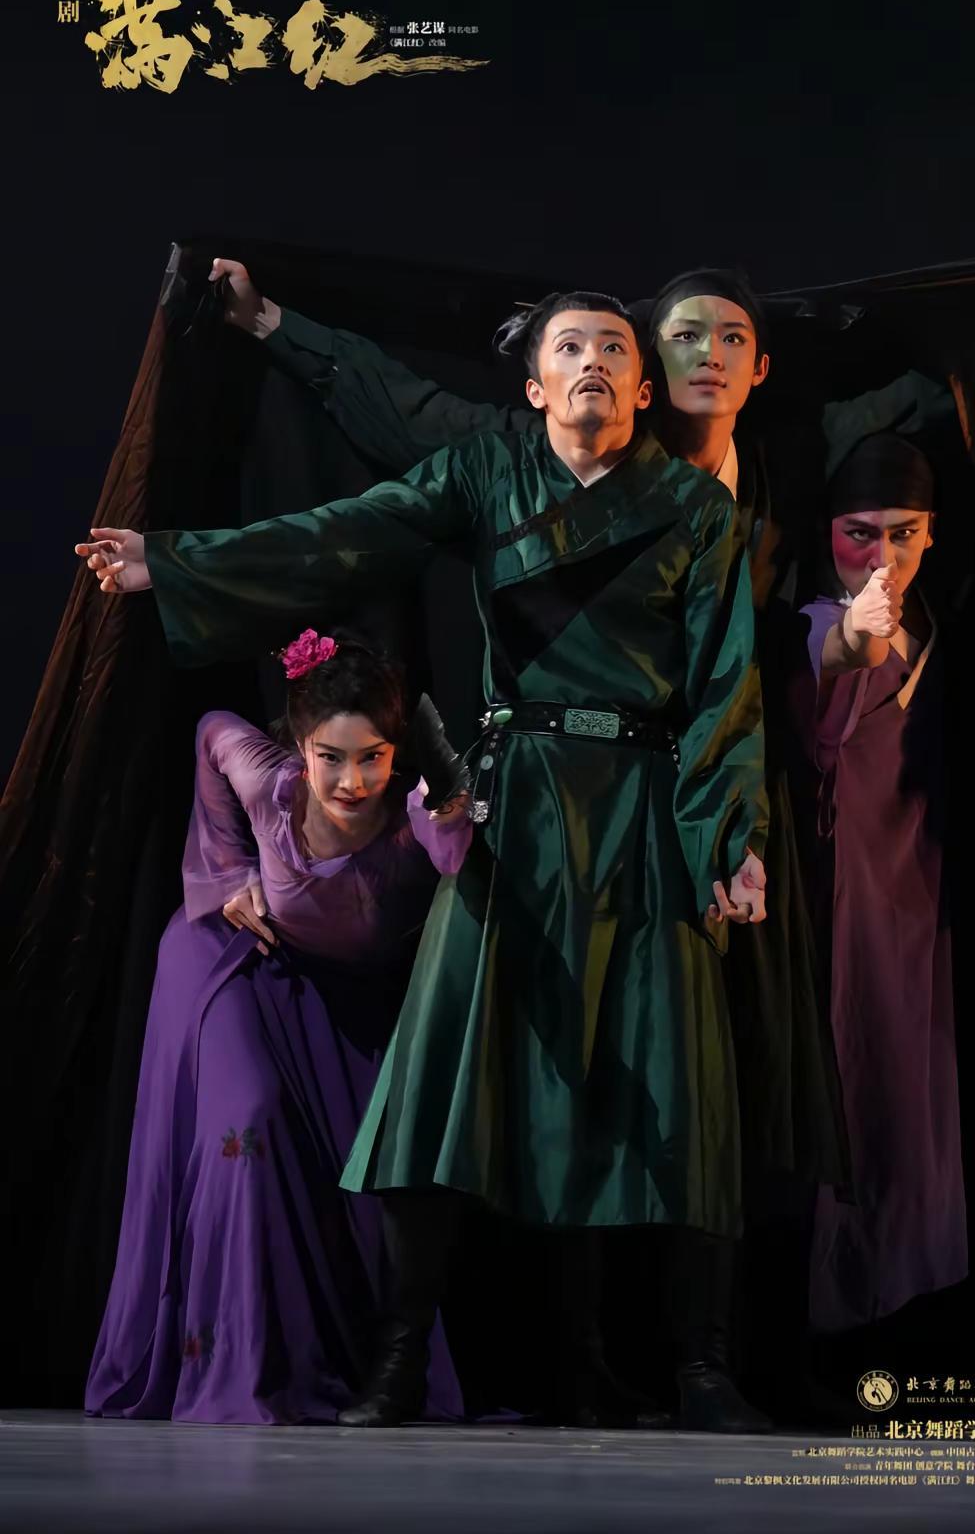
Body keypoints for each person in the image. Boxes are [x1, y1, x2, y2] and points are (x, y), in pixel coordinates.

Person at [76, 289, 769, 1432]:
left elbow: (724, 685)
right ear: (535, 385)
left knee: (675, 1078)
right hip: (519, 806)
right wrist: (180, 561)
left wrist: (730, 839)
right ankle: (398, 1361)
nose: (593, 361)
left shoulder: (694, 506)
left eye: (614, 348)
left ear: (643, 389)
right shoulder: (487, 473)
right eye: (569, 347)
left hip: (644, 813)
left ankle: (701, 1367)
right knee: (440, 1079)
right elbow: (349, 529)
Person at [85, 632, 470, 1424]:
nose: (352, 781)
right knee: (247, 1123)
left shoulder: (409, 815)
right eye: (331, 758)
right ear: (300, 747)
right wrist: (227, 869)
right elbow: (211, 732)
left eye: (373, 758)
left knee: (372, 1185)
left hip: (340, 999)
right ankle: (234, 1369)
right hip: (235, 962)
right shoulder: (269, 781)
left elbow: (459, 853)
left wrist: (448, 792)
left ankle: (306, 1365)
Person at [794, 421, 967, 1332]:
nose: (882, 557)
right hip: (847, 884)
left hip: (916, 879)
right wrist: (858, 636)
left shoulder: (933, 613)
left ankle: (908, 1288)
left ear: (932, 532)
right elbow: (837, 651)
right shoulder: (822, 617)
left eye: (904, 534)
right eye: (860, 533)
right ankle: (839, 1303)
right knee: (855, 1074)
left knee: (914, 1083)